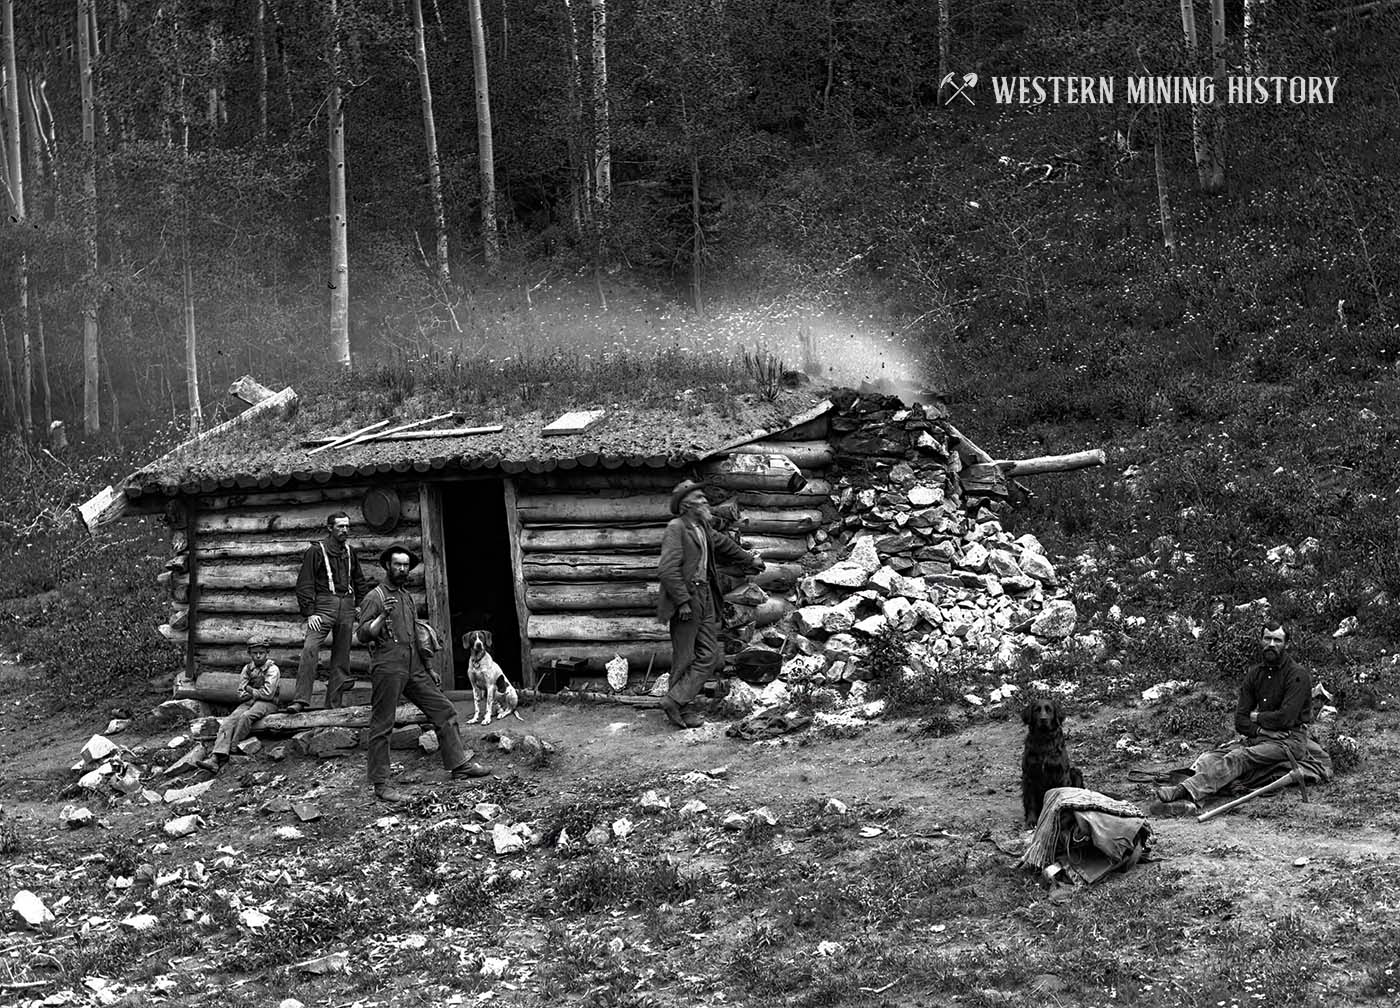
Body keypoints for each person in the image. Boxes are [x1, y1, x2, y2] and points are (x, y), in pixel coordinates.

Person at [355, 544, 490, 803]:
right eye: (398, 564)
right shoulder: (376, 596)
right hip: (388, 665)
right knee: (382, 725)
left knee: (444, 710)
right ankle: (381, 784)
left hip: (414, 665)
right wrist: (382, 616)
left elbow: (417, 635)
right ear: (387, 566)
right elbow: (362, 634)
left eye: (406, 565)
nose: (403, 569)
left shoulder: (406, 596)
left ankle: (459, 764)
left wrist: (429, 668)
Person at [1155, 620, 1327, 807]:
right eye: (1267, 638)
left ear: (1286, 644)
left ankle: (1185, 791)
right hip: (1263, 736)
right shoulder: (1255, 674)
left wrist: (1256, 718)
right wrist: (1263, 731)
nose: (1271, 644)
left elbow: (1286, 719)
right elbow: (1240, 721)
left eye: (1277, 640)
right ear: (1260, 640)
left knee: (1239, 757)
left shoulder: (1297, 675)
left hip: (1289, 740)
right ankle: (1209, 789)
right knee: (1209, 758)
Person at [656, 480, 765, 730]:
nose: (705, 501)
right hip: (687, 598)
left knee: (708, 655)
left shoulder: (701, 525)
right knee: (684, 656)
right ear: (686, 505)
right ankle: (680, 706)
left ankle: (675, 700)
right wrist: (682, 602)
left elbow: (725, 545)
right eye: (699, 498)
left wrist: (750, 559)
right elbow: (667, 570)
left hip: (705, 596)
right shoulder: (676, 528)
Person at [289, 511, 373, 712]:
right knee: (310, 649)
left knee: (342, 656)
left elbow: (360, 581)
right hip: (323, 607)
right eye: (340, 527)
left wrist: (361, 605)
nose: (345, 530)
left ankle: (333, 705)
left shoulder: (350, 551)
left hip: (347, 606)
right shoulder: (317, 551)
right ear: (330, 528)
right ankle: (300, 701)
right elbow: (305, 583)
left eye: (347, 526)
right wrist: (310, 612)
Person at [197, 634, 281, 773]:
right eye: (255, 653)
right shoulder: (247, 669)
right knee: (229, 721)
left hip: (268, 704)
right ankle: (214, 758)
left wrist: (250, 689)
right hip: (249, 701)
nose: (258, 656)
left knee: (246, 716)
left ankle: (232, 748)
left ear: (267, 653)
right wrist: (251, 692)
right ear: (249, 653)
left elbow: (268, 694)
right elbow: (240, 693)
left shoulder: (272, 669)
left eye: (261, 653)